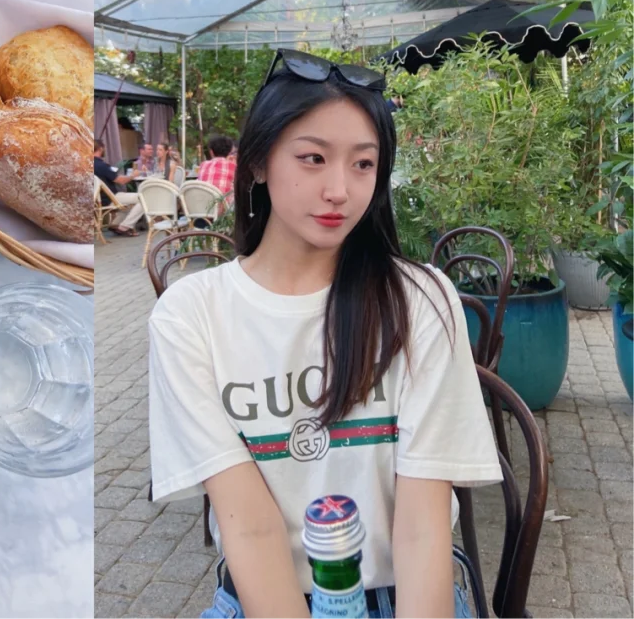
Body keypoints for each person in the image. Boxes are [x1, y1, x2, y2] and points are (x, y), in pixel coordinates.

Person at [147, 50, 500, 619]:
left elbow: (422, 523)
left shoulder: (419, 301)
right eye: (313, 158)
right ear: (257, 163)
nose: (340, 189)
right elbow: (252, 529)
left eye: (363, 164)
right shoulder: (191, 316)